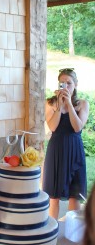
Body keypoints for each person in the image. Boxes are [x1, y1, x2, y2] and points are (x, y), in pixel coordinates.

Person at [43, 68, 89, 219]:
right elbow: (52, 127)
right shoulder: (50, 103)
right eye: (62, 83)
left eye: (69, 83)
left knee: (74, 195)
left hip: (75, 150)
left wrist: (69, 104)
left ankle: (71, 232)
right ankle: (52, 232)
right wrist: (60, 106)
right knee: (53, 196)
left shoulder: (82, 104)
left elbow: (77, 127)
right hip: (56, 150)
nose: (65, 86)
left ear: (75, 84)